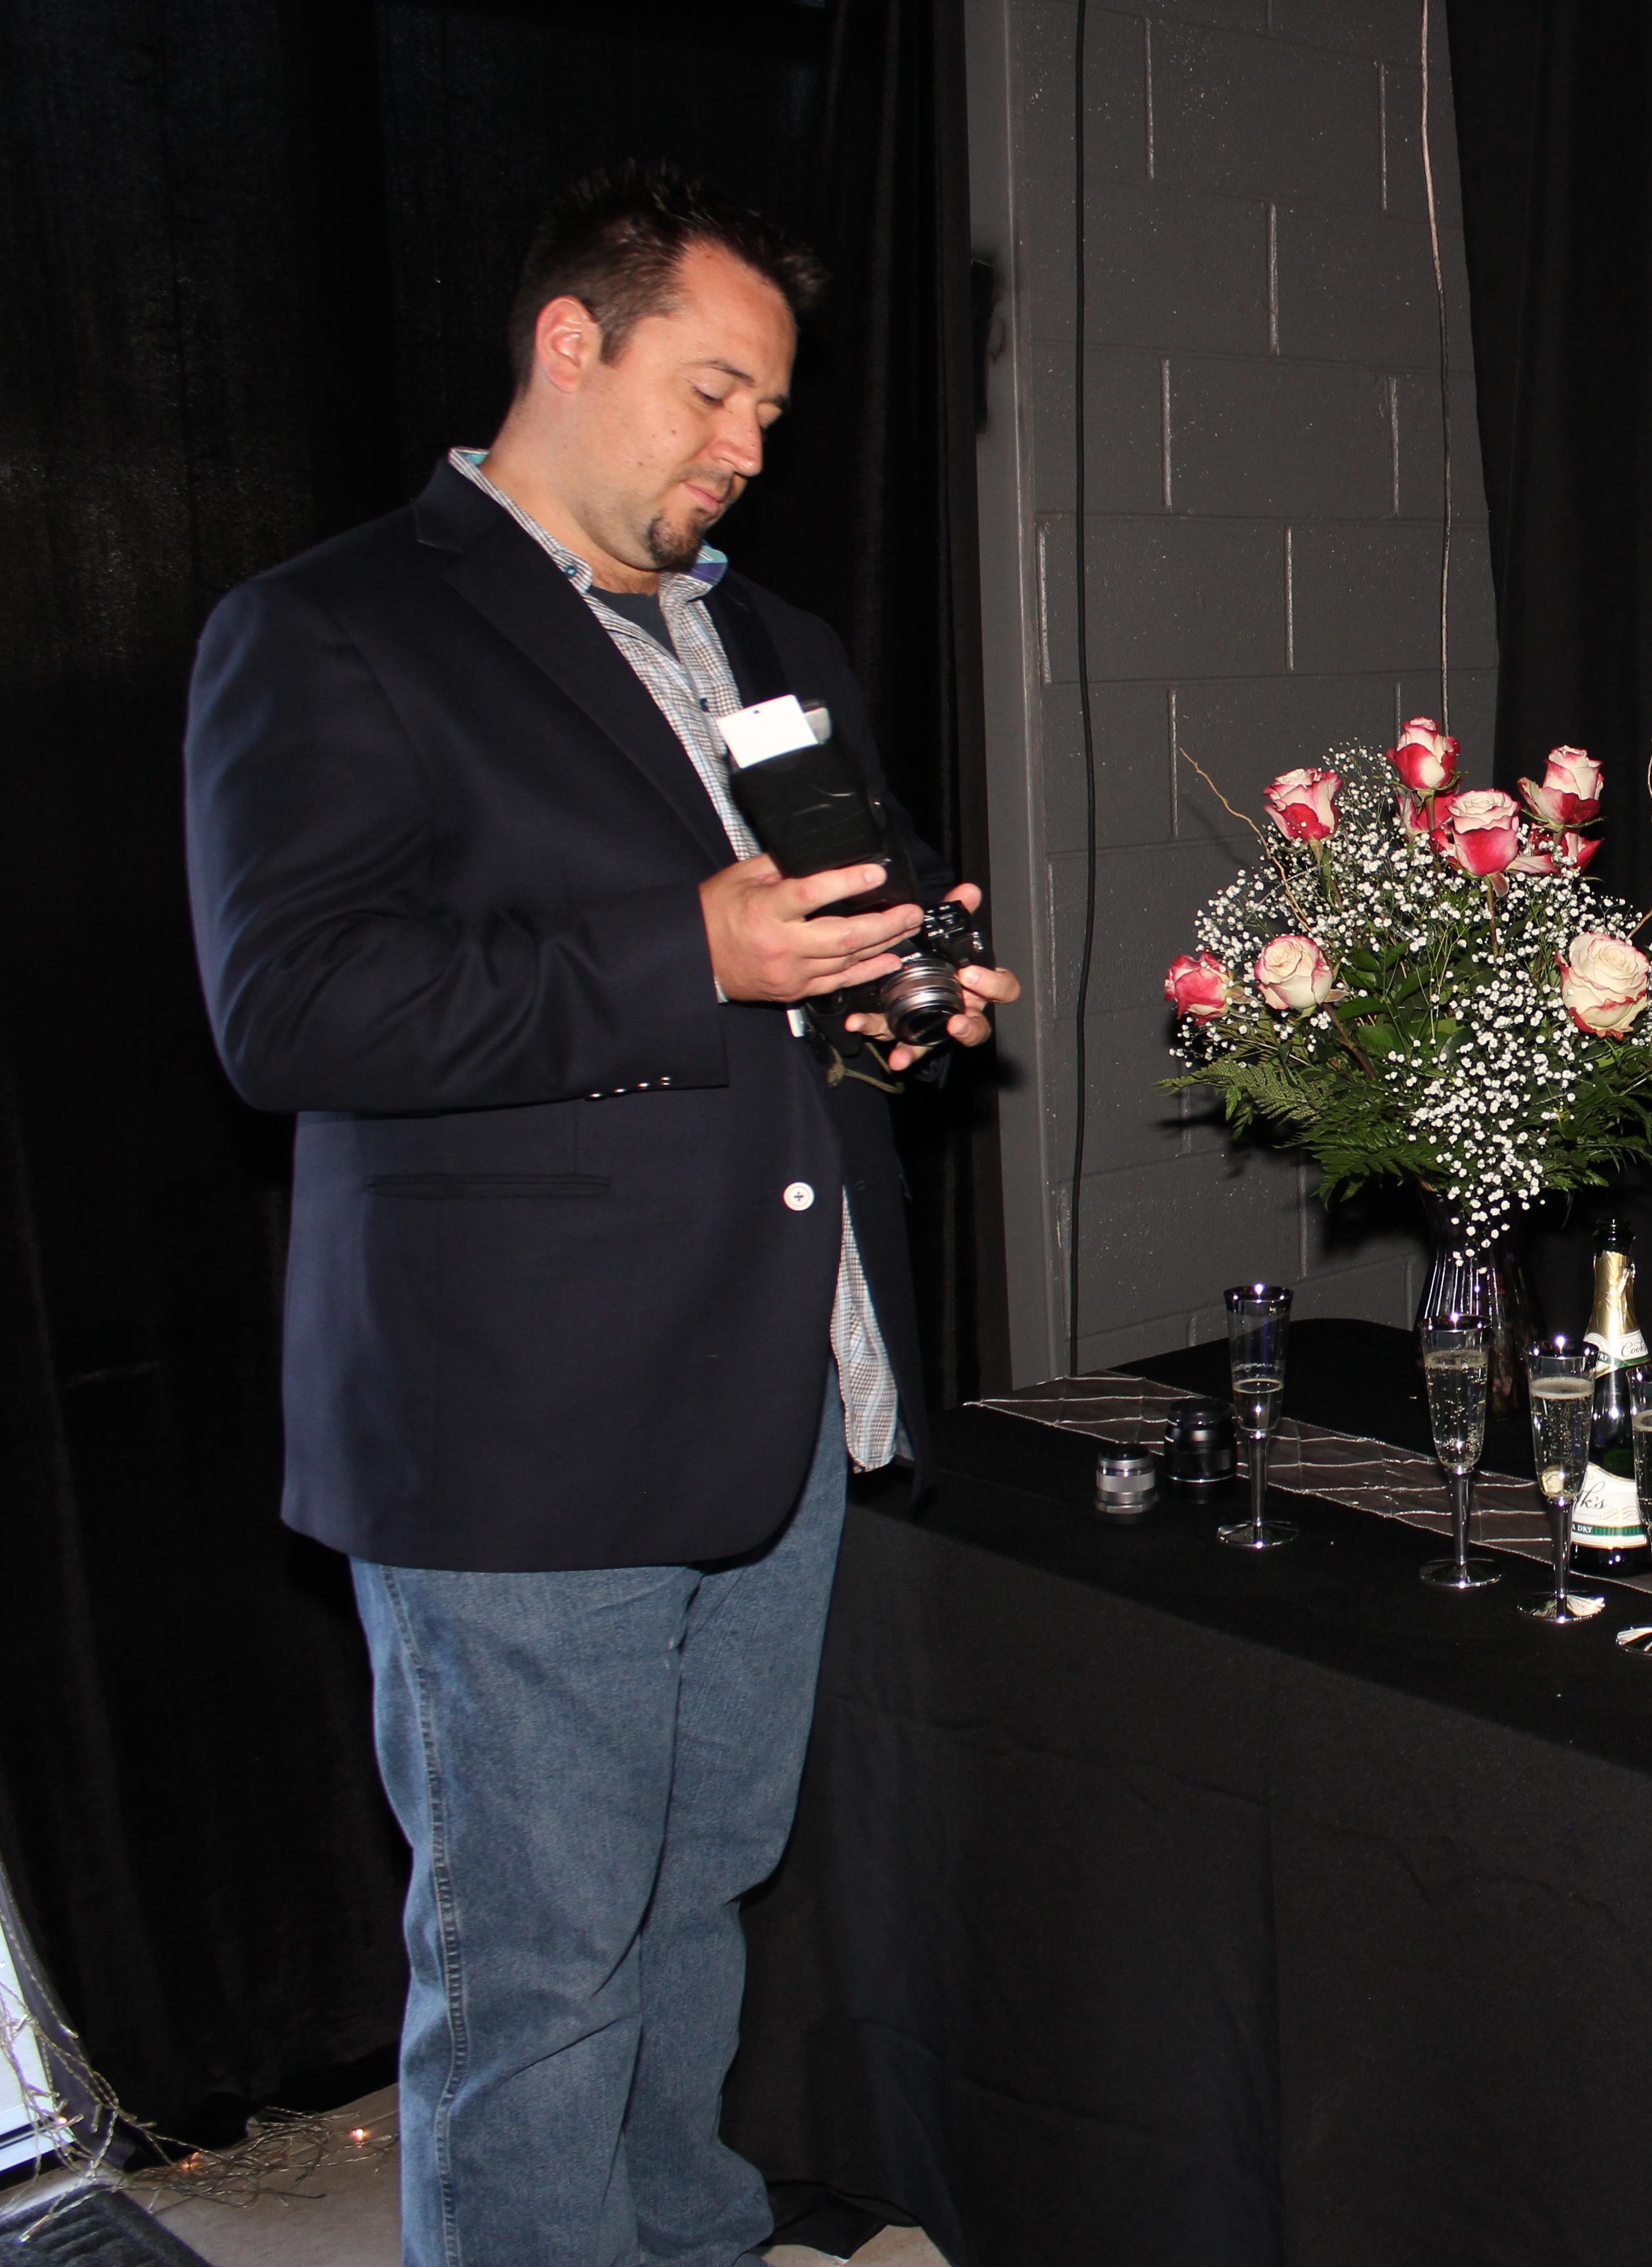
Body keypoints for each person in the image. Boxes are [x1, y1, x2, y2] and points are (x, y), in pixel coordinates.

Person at [182, 164, 1018, 2267]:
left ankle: (686, 2239)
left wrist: (903, 995)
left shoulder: (775, 638)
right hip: (521, 1428)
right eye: (713, 393)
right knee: (539, 1967)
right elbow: (291, 1007)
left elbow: (844, 921)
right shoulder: (336, 624)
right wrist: (693, 956)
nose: (749, 449)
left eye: (773, 416)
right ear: (572, 343)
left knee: (699, 1892)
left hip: (775, 1382)